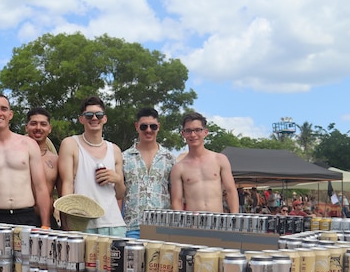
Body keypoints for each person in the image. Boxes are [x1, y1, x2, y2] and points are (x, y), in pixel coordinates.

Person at [0, 94, 51, 227]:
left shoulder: (28, 144)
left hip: (26, 216)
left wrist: (46, 225)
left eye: (3, 109)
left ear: (10, 114)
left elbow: (40, 187)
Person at [58, 96, 127, 236]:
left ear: (105, 119)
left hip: (114, 224)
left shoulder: (115, 150)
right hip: (82, 223)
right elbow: (67, 184)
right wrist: (67, 219)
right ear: (81, 119)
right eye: (89, 115)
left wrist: (118, 179)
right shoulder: (70, 144)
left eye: (99, 115)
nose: (94, 118)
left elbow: (120, 194)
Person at [169, 112, 239, 215]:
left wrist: (234, 218)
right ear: (183, 134)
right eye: (188, 130)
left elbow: (231, 191)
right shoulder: (179, 168)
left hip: (217, 221)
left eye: (197, 130)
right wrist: (180, 224)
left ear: (205, 132)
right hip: (192, 224)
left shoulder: (220, 159)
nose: (193, 135)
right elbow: (177, 200)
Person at [121, 107, 175, 238]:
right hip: (132, 227)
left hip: (162, 227)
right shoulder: (123, 157)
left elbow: (174, 195)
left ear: (159, 127)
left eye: (153, 126)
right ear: (137, 127)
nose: (149, 130)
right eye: (144, 126)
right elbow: (119, 194)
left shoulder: (170, 159)